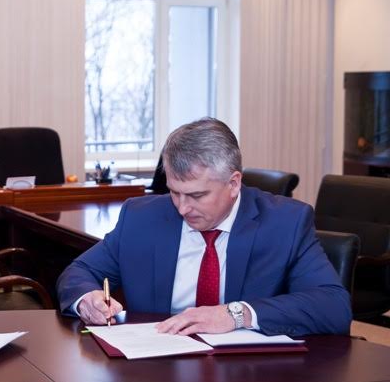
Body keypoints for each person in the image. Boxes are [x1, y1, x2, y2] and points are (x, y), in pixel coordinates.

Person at [57, 117, 351, 337]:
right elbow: (79, 272)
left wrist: (236, 314)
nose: (182, 208)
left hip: (249, 379)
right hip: (156, 370)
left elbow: (333, 306)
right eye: (175, 192)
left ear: (233, 183)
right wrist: (87, 300)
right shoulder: (142, 218)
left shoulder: (285, 223)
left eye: (197, 196)